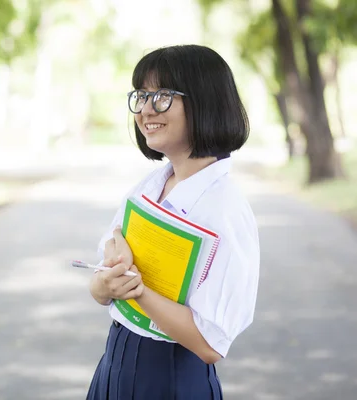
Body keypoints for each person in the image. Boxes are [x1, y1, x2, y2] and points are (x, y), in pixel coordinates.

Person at [86, 44, 260, 399]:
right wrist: (107, 285)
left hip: (170, 376)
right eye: (141, 95)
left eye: (163, 96)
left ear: (205, 102)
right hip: (115, 363)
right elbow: (101, 287)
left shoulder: (224, 208)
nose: (146, 109)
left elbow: (211, 344)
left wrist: (136, 290)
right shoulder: (150, 186)